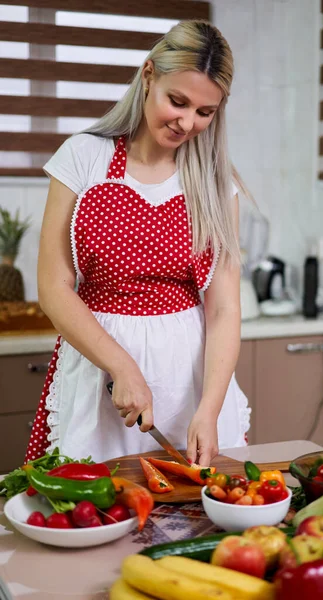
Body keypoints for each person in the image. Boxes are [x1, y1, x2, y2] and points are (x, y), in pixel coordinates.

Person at [25, 20, 251, 467]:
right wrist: (121, 366)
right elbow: (53, 286)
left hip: (189, 378)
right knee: (93, 511)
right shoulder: (83, 157)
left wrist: (209, 409)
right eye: (178, 101)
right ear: (149, 75)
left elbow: (224, 308)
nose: (188, 123)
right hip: (99, 369)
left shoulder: (213, 182)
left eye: (205, 113)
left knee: (197, 523)